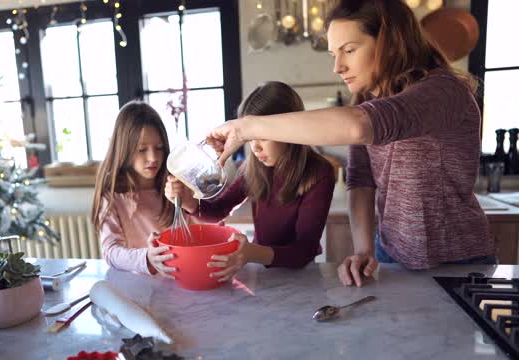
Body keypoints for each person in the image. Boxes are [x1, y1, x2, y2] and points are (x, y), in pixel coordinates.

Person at [204, 0, 496, 287]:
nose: (337, 66)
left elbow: (359, 126)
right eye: (333, 53)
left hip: (456, 262)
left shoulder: (442, 91)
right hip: (391, 254)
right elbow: (361, 180)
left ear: (390, 42)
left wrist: (245, 127)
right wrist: (364, 250)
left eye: (349, 50)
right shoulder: (368, 99)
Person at [166, 82, 334, 282]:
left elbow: (303, 252)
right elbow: (219, 210)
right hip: (260, 271)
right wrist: (187, 201)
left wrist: (251, 253)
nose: (255, 148)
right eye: (249, 138)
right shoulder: (253, 167)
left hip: (301, 276)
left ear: (290, 130)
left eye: (262, 136)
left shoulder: (319, 173)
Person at [91, 101, 185, 279]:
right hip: (135, 289)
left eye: (159, 148)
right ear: (123, 149)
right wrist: (146, 258)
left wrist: (187, 199)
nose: (153, 158)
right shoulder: (112, 196)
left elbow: (200, 228)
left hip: (176, 285)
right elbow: (111, 251)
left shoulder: (174, 187)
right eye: (142, 149)